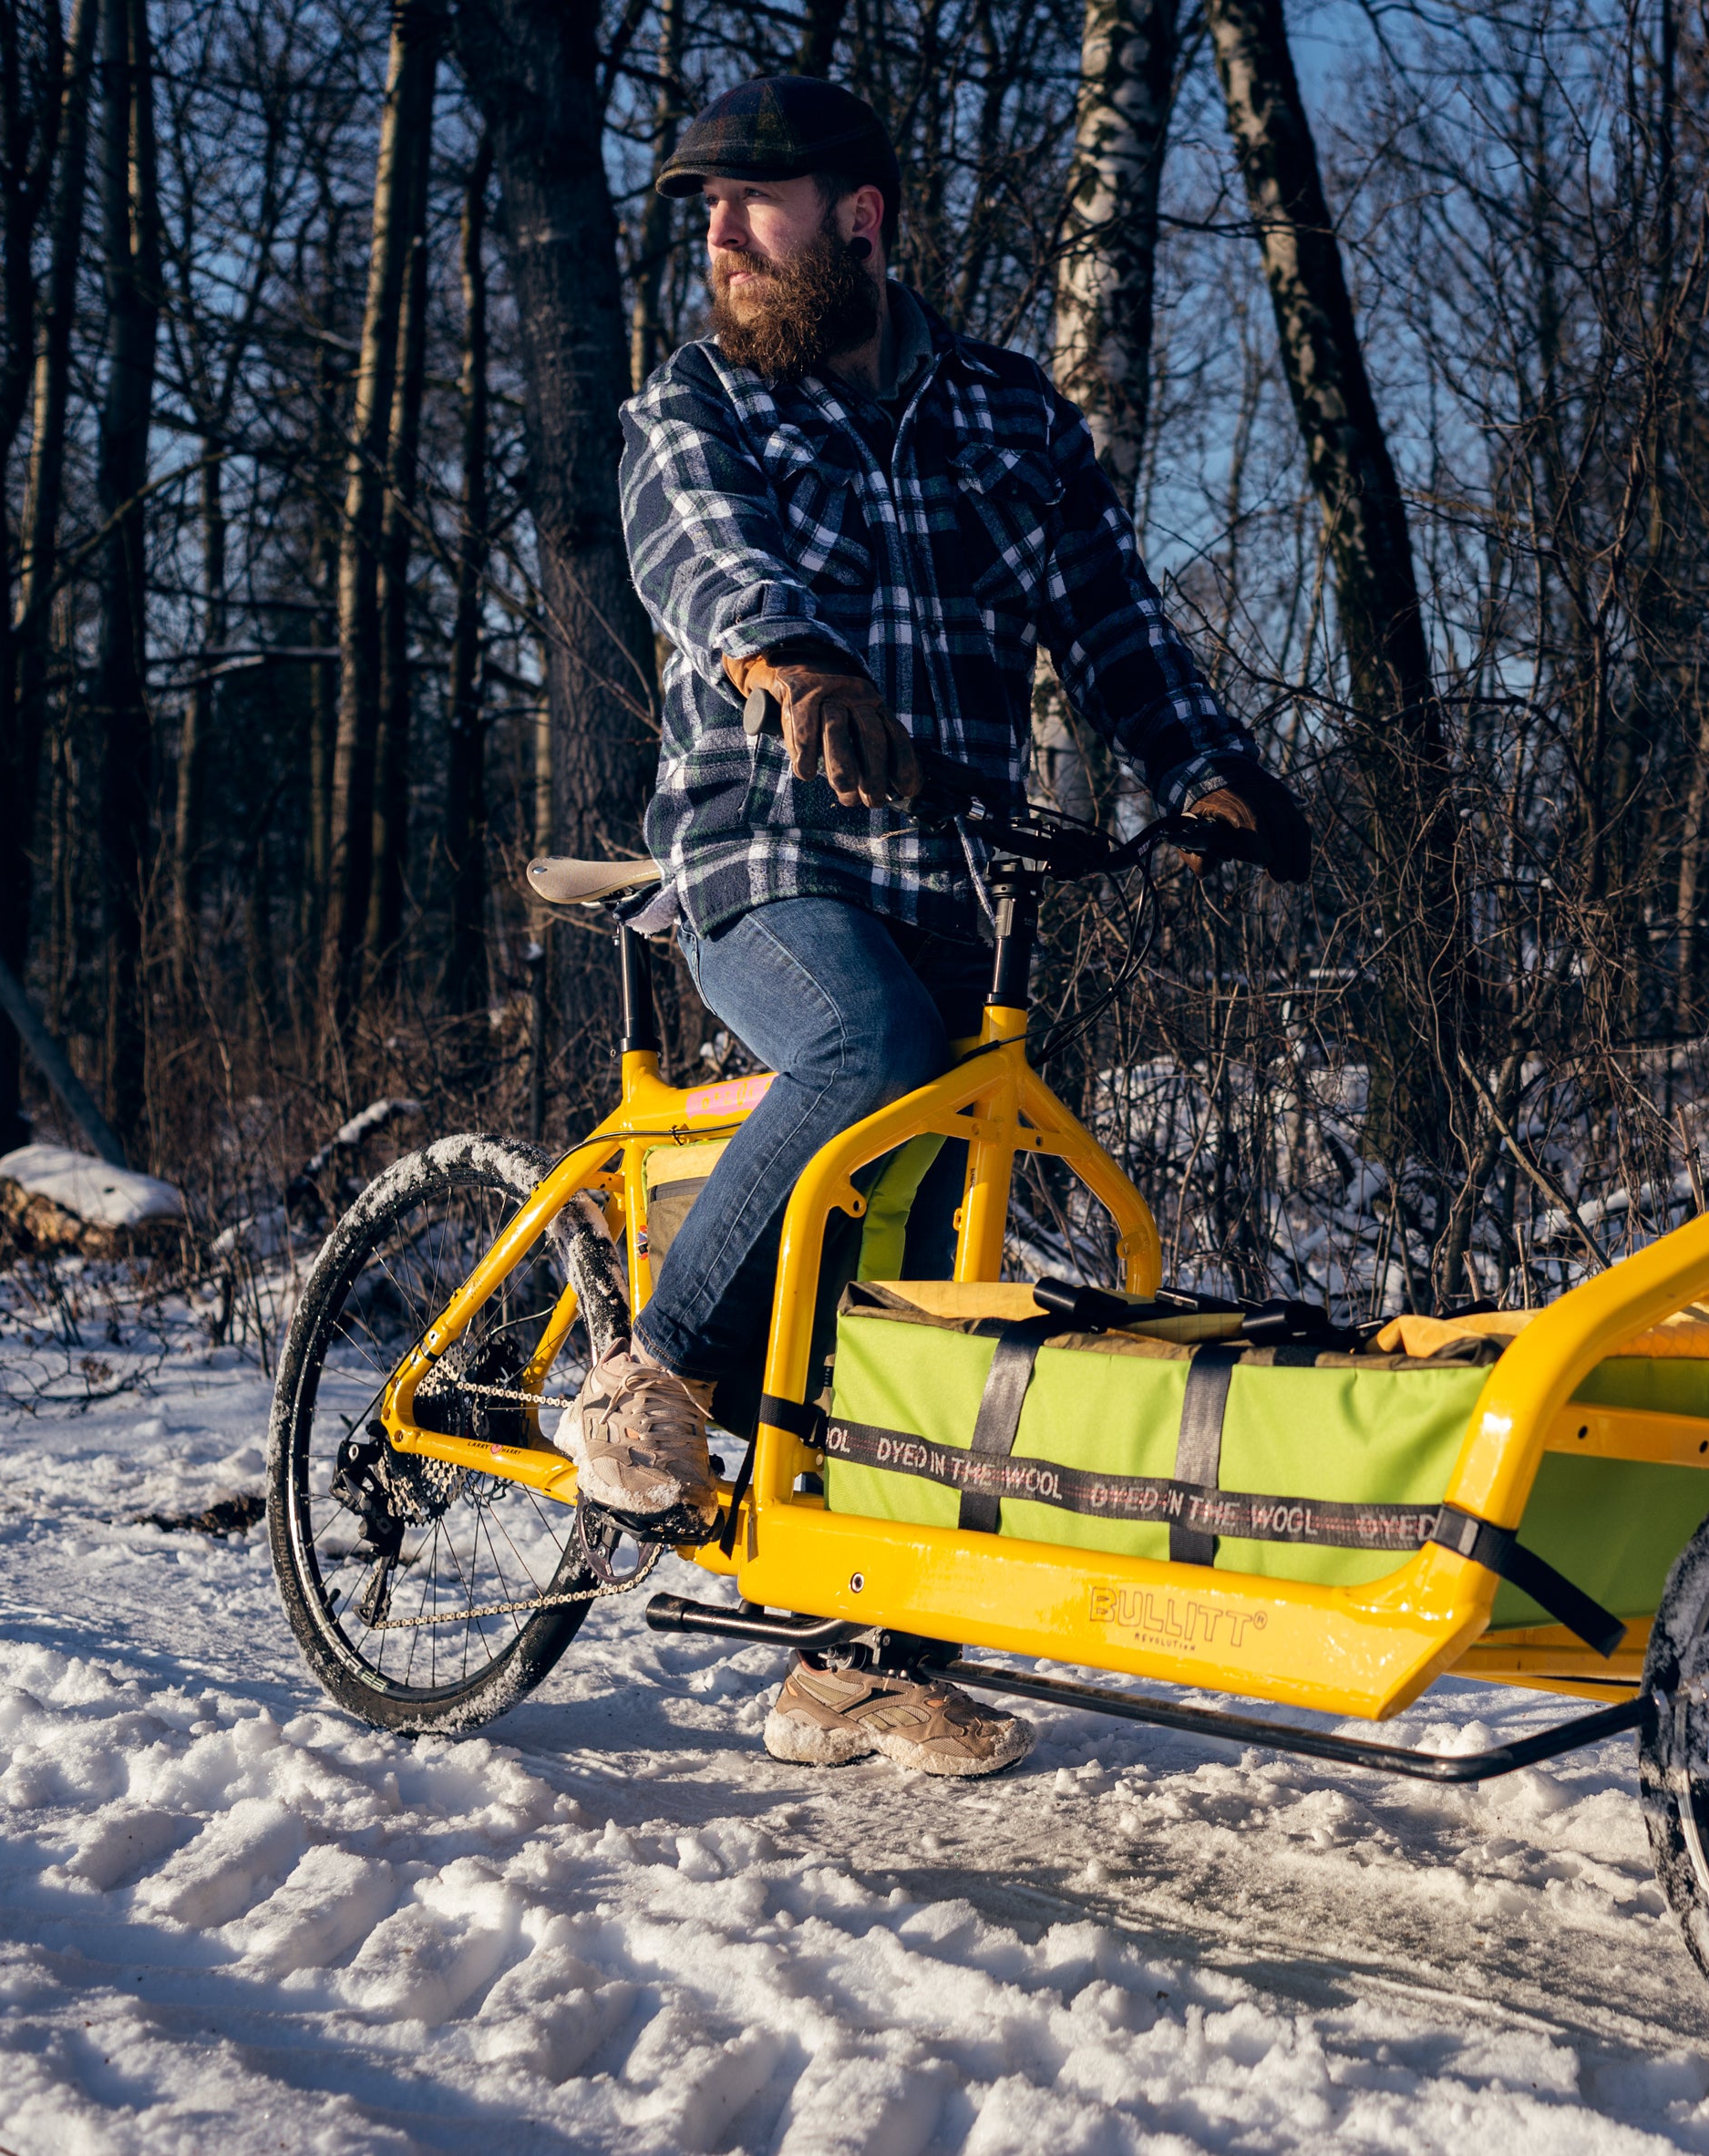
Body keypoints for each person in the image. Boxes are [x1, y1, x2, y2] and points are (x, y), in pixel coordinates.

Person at [575, 75, 1310, 1779]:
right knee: (867, 1049)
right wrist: (794, 661)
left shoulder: (1005, 417)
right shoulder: (700, 401)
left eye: (754, 200)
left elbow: (1112, 618)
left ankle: (855, 1653)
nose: (721, 234)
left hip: (953, 881)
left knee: (925, 1261)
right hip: (765, 859)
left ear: (862, 215)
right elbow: (699, 552)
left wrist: (1214, 771)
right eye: (704, 209)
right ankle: (650, 1374)